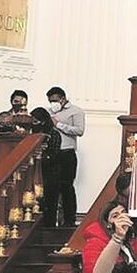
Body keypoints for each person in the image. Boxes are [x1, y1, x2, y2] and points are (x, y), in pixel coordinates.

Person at [47, 86, 86, 227]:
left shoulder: (76, 111)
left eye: (55, 100)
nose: (53, 103)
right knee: (51, 188)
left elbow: (80, 130)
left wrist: (59, 125)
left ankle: (69, 220)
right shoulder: (48, 112)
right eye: (50, 101)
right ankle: (50, 220)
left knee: (67, 187)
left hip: (67, 153)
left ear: (63, 99)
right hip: (52, 153)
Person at [29, 108, 63, 227]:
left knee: (50, 201)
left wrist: (39, 159)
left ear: (43, 121)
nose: (33, 124)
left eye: (36, 121)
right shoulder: (30, 134)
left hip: (50, 172)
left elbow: (54, 154)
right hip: (33, 173)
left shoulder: (54, 134)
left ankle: (49, 225)